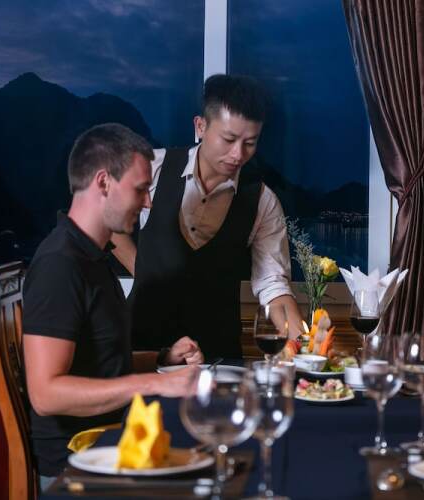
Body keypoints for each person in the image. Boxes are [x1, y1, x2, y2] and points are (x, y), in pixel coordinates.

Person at [23, 123, 204, 490]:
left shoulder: (92, 257)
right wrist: (156, 383)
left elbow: (99, 361)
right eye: (140, 189)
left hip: (112, 444)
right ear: (103, 182)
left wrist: (161, 358)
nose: (148, 202)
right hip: (76, 467)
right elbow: (45, 395)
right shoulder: (60, 264)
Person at [111, 74, 302, 359]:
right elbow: (107, 222)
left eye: (250, 143)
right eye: (229, 139)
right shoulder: (153, 168)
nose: (238, 154)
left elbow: (273, 285)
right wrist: (143, 269)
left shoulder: (263, 201)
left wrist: (303, 344)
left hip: (218, 358)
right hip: (142, 350)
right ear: (200, 127)